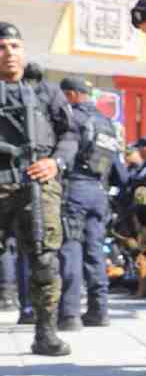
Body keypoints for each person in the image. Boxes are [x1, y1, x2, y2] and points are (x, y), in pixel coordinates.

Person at [0, 22, 79, 356]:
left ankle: (46, 334)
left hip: (36, 184)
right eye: (2, 47)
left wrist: (55, 163)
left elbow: (70, 134)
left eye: (14, 47)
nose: (8, 54)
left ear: (24, 51)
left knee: (45, 259)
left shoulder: (47, 92)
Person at [57, 76, 127, 328]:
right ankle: (99, 310)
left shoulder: (72, 117)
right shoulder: (108, 123)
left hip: (75, 187)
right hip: (99, 192)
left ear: (72, 95)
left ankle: (69, 314)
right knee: (95, 251)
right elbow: (121, 172)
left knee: (71, 249)